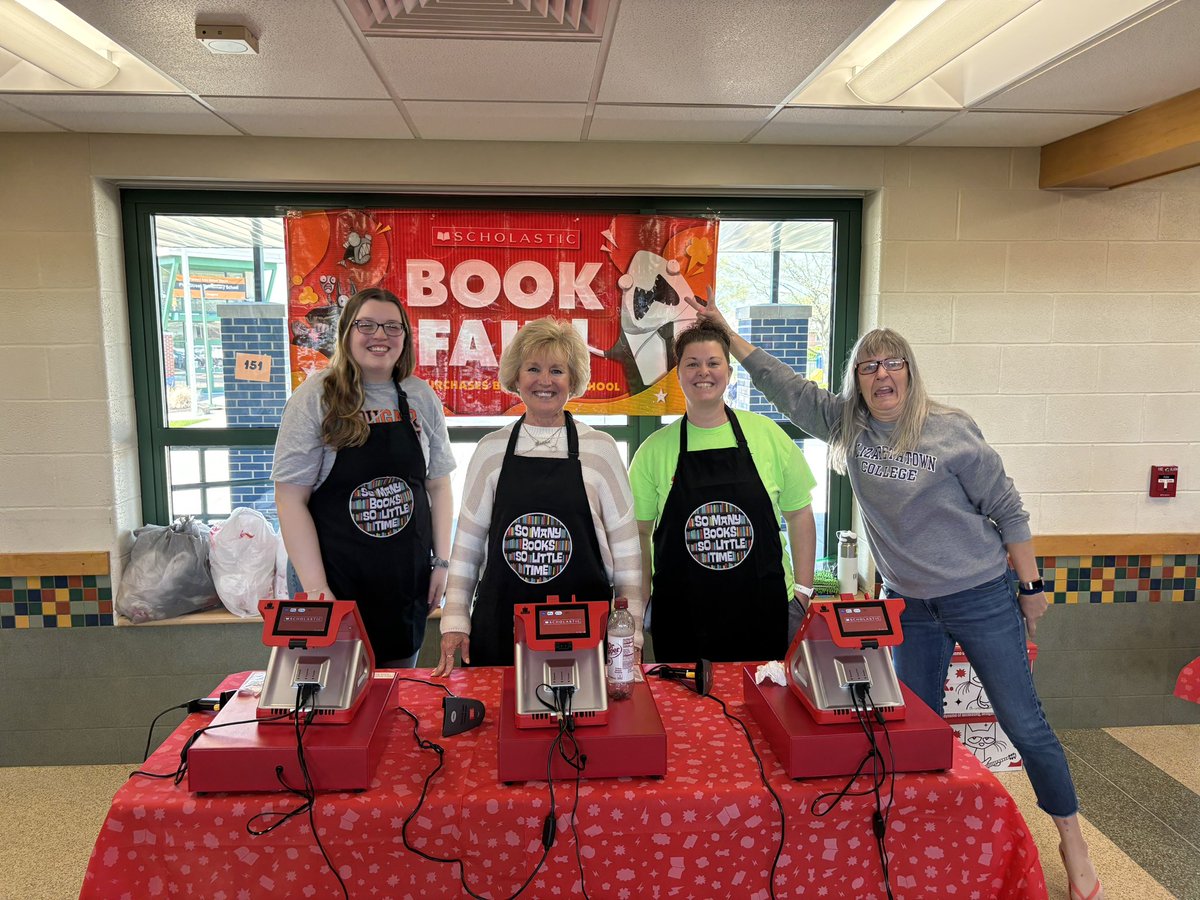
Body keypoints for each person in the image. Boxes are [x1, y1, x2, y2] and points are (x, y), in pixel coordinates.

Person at [698, 304, 1104, 900]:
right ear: (856, 380)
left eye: (893, 364)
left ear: (911, 373)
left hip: (981, 595)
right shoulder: (849, 428)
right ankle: (927, 840)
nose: (881, 375)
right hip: (909, 607)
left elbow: (1009, 511)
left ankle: (1072, 838)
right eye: (868, 366)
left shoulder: (951, 430)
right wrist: (727, 336)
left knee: (1024, 723)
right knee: (915, 730)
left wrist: (1031, 587)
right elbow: (786, 388)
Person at [432, 317, 643, 674]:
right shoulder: (491, 450)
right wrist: (454, 621)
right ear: (516, 377)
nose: (544, 381)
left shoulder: (600, 450)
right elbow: (467, 544)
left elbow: (627, 555)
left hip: (583, 628)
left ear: (573, 380)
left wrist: (631, 635)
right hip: (501, 625)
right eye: (533, 368)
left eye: (557, 370)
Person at [273, 287, 454, 667]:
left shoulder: (419, 396)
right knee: (331, 702)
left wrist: (442, 562)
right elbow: (290, 500)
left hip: (404, 582)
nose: (380, 336)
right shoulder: (315, 398)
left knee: (396, 699)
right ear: (346, 333)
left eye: (392, 327)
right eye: (366, 325)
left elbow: (437, 485)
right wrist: (317, 590)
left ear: (405, 336)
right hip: (332, 580)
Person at [628, 322, 817, 663]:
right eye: (692, 363)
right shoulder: (653, 451)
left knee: (770, 711)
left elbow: (800, 512)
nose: (704, 372)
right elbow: (639, 534)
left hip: (767, 612)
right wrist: (640, 608)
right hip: (682, 618)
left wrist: (803, 591)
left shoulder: (767, 435)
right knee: (685, 715)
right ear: (679, 374)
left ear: (728, 372)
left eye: (713, 363)